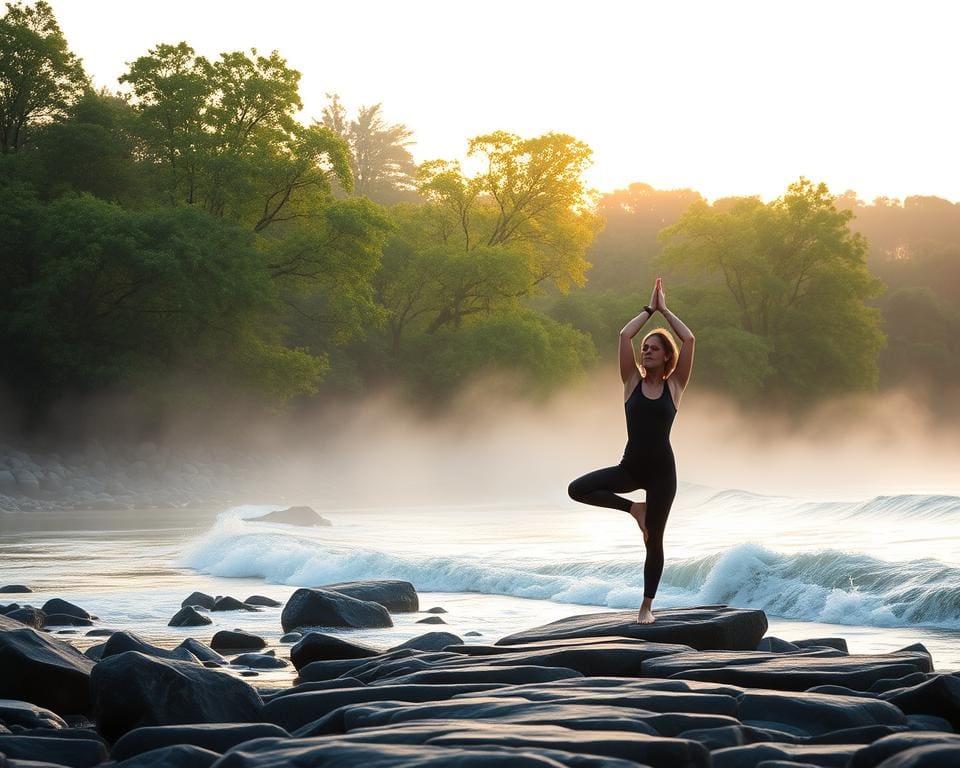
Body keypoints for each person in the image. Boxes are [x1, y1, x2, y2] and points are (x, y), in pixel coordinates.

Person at [568, 278, 695, 624]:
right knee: (577, 489)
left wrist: (665, 311)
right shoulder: (631, 384)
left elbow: (690, 339)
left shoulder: (675, 386)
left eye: (654, 348)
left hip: (662, 473)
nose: (646, 351)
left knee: (655, 540)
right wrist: (648, 309)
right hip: (631, 467)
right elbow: (625, 336)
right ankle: (633, 509)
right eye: (646, 348)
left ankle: (646, 606)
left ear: (667, 355)